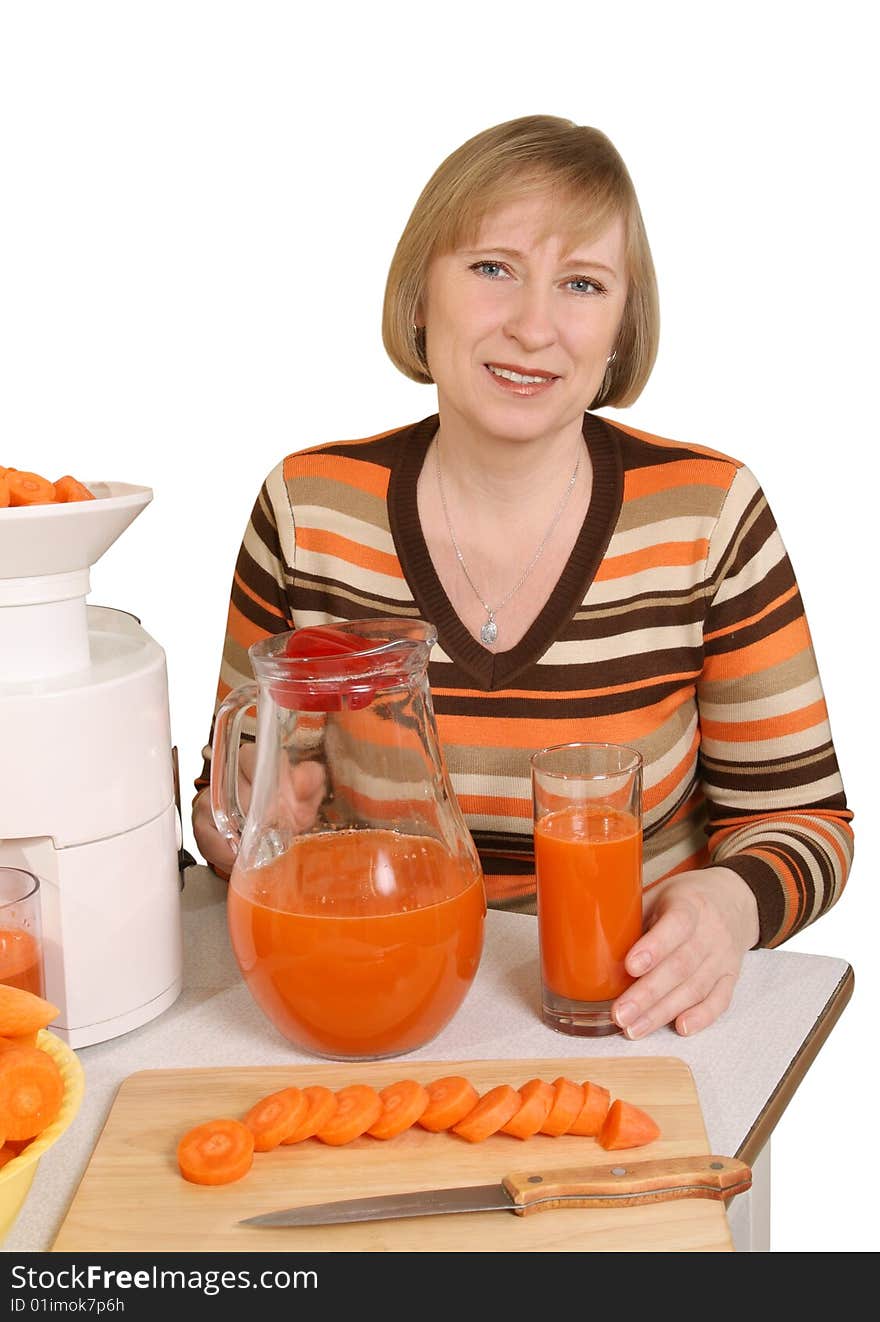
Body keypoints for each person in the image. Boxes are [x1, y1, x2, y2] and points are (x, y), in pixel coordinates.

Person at [192, 114, 853, 1041]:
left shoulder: (708, 515)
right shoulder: (309, 511)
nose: (534, 326)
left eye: (581, 284)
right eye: (493, 267)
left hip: (632, 1014)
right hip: (372, 990)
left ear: (622, 329)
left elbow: (804, 822)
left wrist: (728, 911)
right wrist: (245, 833)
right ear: (421, 293)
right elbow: (233, 807)